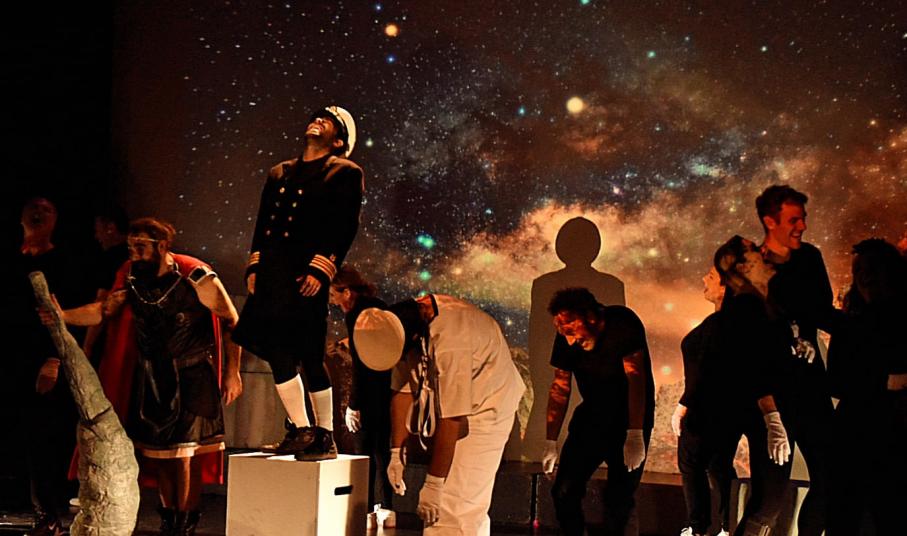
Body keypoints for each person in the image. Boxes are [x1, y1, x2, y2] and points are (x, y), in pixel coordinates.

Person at [49, 217, 243, 535]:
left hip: (192, 376)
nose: (134, 254)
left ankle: (184, 523)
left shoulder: (195, 274)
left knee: (184, 455)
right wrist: (62, 316)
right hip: (153, 377)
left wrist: (232, 372)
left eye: (140, 247)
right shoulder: (131, 275)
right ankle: (169, 521)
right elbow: (103, 310)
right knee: (161, 455)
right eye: (131, 247)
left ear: (162, 246)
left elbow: (232, 320)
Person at [232, 105, 363, 461]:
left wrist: (322, 268)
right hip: (273, 271)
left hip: (305, 274)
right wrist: (255, 265)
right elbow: (263, 223)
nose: (318, 121)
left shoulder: (345, 172)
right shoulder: (280, 172)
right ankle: (304, 430)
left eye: (329, 122)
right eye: (317, 116)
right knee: (277, 351)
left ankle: (324, 436)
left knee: (309, 354)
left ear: (339, 141)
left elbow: (345, 224)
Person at [352, 294, 525, 535]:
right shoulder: (402, 327)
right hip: (458, 407)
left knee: (452, 507)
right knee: (451, 507)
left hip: (487, 408)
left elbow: (451, 420)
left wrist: (434, 483)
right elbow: (401, 390)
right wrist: (396, 452)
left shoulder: (452, 340)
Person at [540, 287, 655, 536]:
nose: (570, 341)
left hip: (629, 418)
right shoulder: (565, 334)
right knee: (564, 490)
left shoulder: (622, 323)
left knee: (619, 499)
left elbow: (636, 379)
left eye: (572, 332)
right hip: (592, 415)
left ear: (591, 318)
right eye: (564, 333)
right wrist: (550, 441)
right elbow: (560, 387)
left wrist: (635, 433)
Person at [755, 185, 833, 536]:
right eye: (793, 219)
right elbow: (747, 334)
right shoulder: (752, 266)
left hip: (811, 386)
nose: (802, 226)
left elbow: (823, 311)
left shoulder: (810, 258)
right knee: (770, 493)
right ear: (769, 221)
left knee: (829, 476)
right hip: (773, 390)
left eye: (803, 218)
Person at [12, 197, 92, 536]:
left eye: (47, 209)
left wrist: (53, 360)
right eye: (33, 207)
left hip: (40, 361)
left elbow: (68, 318)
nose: (38, 213)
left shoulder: (64, 263)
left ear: (56, 219)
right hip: (10, 357)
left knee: (41, 438)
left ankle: (49, 516)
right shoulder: (13, 259)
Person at [712, 235, 796, 536]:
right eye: (754, 251)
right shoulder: (747, 306)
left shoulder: (760, 303)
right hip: (765, 409)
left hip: (767, 407)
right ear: (742, 267)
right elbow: (754, 364)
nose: (763, 250)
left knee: (768, 499)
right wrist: (772, 417)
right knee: (768, 500)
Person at [826, 238, 907, 534]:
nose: (864, 276)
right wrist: (887, 381)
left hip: (890, 435)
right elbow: (836, 381)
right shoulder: (851, 323)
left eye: (872, 268)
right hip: (856, 435)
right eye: (858, 270)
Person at [328, 266, 396, 530]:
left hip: (369, 391)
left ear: (347, 292)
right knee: (383, 450)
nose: (332, 301)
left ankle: (365, 509)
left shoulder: (357, 314)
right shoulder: (379, 308)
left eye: (334, 295)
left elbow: (361, 362)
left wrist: (353, 405)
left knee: (365, 452)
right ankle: (388, 507)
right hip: (389, 388)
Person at [672, 267, 733, 536]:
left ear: (726, 286)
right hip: (708, 405)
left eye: (711, 276)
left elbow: (708, 369)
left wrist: (683, 405)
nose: (704, 279)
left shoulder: (724, 324)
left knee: (697, 463)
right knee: (716, 466)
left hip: (708, 407)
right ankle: (720, 526)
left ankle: (704, 528)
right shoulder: (719, 321)